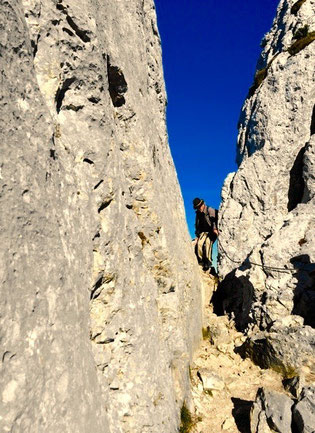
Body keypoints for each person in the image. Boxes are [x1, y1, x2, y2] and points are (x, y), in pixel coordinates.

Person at [193, 197, 218, 273]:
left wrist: (215, 228)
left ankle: (208, 262)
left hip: (212, 232)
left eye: (200, 206)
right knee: (199, 244)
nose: (199, 208)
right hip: (203, 232)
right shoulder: (198, 214)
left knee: (208, 243)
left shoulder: (209, 210)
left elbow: (215, 218)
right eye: (197, 207)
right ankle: (201, 261)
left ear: (203, 204)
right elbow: (197, 225)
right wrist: (197, 236)